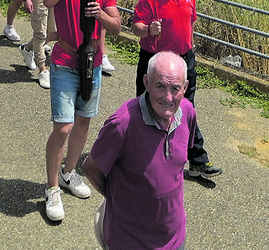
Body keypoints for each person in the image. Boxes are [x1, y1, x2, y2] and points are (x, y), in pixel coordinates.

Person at [85, 51, 198, 250]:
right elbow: (90, 167)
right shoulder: (122, 124)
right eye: (160, 86)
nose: (168, 97)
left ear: (185, 88)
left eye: (175, 88)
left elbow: (177, 168)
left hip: (174, 239)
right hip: (130, 241)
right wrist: (116, 200)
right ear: (146, 82)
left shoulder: (187, 112)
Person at [39, 0, 123, 222]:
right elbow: (47, 0)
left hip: (92, 64)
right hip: (64, 61)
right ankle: (52, 188)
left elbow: (117, 27)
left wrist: (100, 15)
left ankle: (69, 171)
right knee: (62, 127)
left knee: (84, 122)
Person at [131, 0, 220, 179]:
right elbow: (135, 27)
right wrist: (149, 29)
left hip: (184, 60)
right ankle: (141, 155)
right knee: (148, 108)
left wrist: (189, 49)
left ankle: (197, 160)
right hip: (156, 62)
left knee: (187, 108)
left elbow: (190, 22)